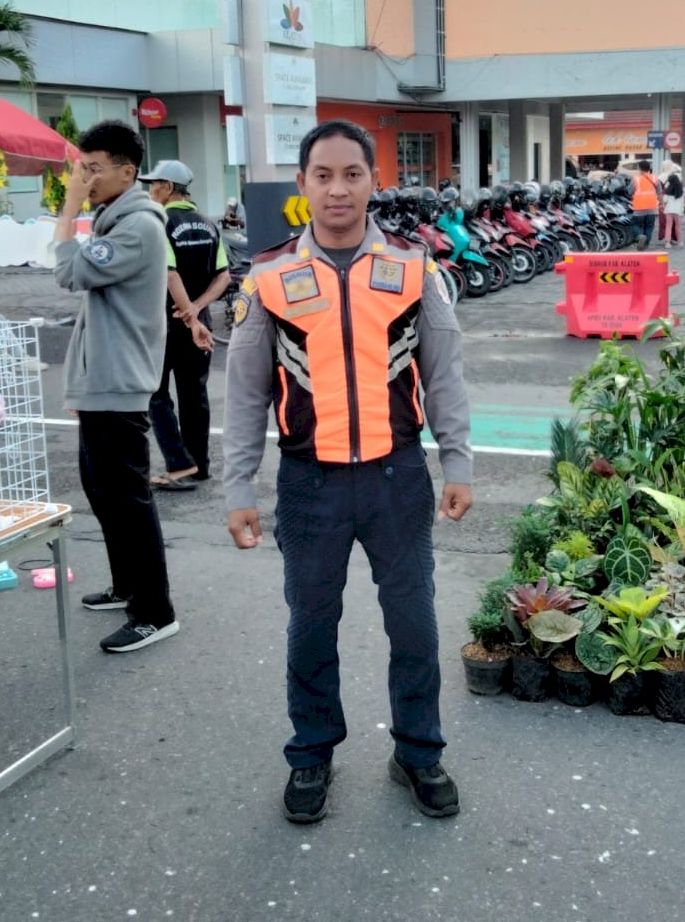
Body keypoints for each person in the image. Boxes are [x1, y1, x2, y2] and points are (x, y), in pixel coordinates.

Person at [223, 119, 473, 825]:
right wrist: (239, 487)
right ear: (303, 185)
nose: (338, 188)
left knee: (415, 625)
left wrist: (458, 461)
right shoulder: (268, 278)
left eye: (352, 174)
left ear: (373, 181)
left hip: (398, 479)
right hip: (309, 485)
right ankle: (311, 755)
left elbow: (445, 377)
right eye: (323, 175)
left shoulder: (415, 270)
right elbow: (244, 395)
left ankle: (418, 752)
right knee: (311, 624)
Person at [53, 120, 178, 655]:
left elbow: (68, 273)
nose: (85, 178)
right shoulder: (113, 221)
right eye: (83, 168)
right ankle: (127, 586)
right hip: (99, 383)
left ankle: (156, 611)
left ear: (129, 172)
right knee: (102, 493)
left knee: (127, 499)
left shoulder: (139, 227)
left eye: (94, 168)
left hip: (119, 383)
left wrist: (68, 209)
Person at [142, 159, 229, 492]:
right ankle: (200, 465)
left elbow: (169, 272)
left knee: (156, 394)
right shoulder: (209, 224)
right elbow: (223, 275)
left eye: (153, 186)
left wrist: (187, 313)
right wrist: (198, 308)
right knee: (195, 396)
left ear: (167, 188)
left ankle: (179, 465)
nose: (150, 192)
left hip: (166, 323)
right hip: (199, 324)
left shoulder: (159, 222)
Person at [629, 158, 660, 249]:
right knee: (649, 226)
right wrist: (661, 204)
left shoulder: (636, 179)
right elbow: (660, 193)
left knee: (635, 225)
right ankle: (646, 245)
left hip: (639, 208)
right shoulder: (655, 178)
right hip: (652, 208)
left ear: (640, 168)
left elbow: (629, 191)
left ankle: (640, 235)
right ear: (649, 168)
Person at [658, 159, 685, 247]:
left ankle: (667, 241)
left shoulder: (660, 177)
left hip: (668, 209)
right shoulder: (678, 178)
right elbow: (684, 193)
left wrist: (661, 204)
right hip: (678, 211)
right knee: (678, 225)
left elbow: (661, 194)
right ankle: (679, 240)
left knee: (666, 224)